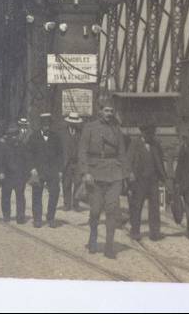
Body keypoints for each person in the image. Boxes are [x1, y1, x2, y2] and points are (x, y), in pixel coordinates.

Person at [78, 100, 129, 259]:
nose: (109, 114)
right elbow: (82, 152)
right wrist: (85, 172)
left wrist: (126, 175)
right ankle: (93, 237)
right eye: (106, 111)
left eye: (111, 111)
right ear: (100, 111)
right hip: (95, 174)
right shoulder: (90, 128)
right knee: (95, 211)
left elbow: (122, 153)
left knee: (112, 211)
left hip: (114, 174)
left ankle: (109, 246)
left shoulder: (116, 130)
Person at [126, 124, 168, 242]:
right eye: (148, 133)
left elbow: (160, 161)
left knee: (154, 207)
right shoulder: (135, 143)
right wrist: (130, 173)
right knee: (136, 206)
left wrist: (163, 177)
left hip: (153, 180)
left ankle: (154, 232)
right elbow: (128, 160)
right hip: (139, 180)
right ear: (143, 132)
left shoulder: (156, 144)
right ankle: (135, 231)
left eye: (152, 133)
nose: (151, 135)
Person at [28, 112, 64, 228]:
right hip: (38, 170)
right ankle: (37, 218)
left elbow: (60, 154)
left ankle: (51, 217)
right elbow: (29, 154)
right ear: (41, 124)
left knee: (54, 193)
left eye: (48, 124)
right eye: (44, 124)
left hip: (52, 170)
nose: (46, 126)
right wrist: (32, 168)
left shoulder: (56, 137)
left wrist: (59, 170)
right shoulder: (34, 137)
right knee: (37, 194)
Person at [0, 124, 30, 224]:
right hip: (7, 176)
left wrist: (26, 174)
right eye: (12, 135)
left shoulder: (22, 146)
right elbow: (0, 160)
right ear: (9, 136)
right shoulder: (4, 146)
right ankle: (6, 215)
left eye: (16, 134)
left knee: (20, 196)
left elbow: (26, 160)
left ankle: (20, 216)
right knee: (6, 196)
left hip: (19, 175)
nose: (14, 137)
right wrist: (1, 172)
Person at [61, 111, 84, 211]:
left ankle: (76, 204)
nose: (73, 124)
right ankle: (67, 204)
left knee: (78, 182)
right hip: (66, 162)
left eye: (75, 122)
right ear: (69, 122)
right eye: (72, 122)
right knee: (66, 183)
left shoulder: (81, 133)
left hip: (77, 162)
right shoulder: (62, 133)